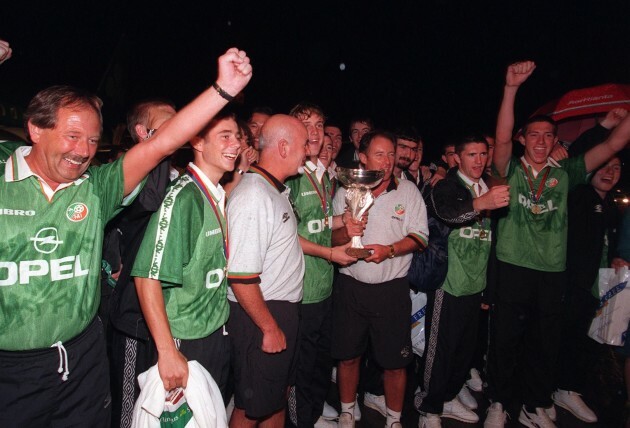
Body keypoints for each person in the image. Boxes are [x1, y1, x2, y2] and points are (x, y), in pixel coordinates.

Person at [0, 47, 252, 427]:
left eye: (91, 140)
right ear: (36, 128)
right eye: (72, 136)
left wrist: (222, 89)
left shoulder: (96, 189)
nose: (83, 151)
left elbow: (160, 145)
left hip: (83, 361)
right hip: (11, 372)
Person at [484, 60, 630, 428]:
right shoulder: (510, 169)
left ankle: (535, 404)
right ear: (523, 138)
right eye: (533, 135)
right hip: (513, 266)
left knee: (544, 343)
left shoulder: (567, 172)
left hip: (551, 271)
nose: (540, 141)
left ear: (554, 141)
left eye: (547, 136)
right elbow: (500, 140)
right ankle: (499, 403)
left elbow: (615, 141)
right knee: (505, 340)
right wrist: (511, 88)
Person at [132, 111, 243, 405]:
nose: (236, 144)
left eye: (237, 136)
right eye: (225, 136)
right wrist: (168, 351)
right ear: (198, 142)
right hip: (185, 341)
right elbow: (146, 277)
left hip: (214, 332)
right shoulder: (184, 198)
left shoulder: (215, 193)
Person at [331, 130, 429, 428]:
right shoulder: (346, 190)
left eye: (390, 154)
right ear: (363, 158)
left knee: (395, 362)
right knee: (348, 357)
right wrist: (347, 231)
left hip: (391, 290)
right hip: (351, 287)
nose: (386, 162)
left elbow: (420, 237)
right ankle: (348, 411)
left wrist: (389, 250)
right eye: (379, 154)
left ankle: (394, 419)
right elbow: (330, 237)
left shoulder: (407, 191)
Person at [416, 136, 510, 428]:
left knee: (464, 350)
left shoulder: (487, 185)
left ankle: (448, 397)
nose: (479, 160)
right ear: (457, 157)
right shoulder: (446, 185)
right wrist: (482, 203)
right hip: (449, 282)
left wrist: (488, 287)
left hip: (476, 282)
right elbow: (449, 214)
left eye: (483, 154)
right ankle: (428, 408)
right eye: (472, 154)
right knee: (440, 349)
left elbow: (491, 241)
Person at [226, 114, 308, 427]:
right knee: (251, 406)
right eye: (303, 145)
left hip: (279, 310)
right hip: (261, 314)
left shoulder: (273, 191)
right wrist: (269, 327)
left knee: (274, 399)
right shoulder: (254, 195)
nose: (307, 153)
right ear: (284, 147)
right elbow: (241, 277)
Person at [286, 103, 359, 428]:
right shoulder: (290, 176)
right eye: (306, 124)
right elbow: (286, 235)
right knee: (298, 366)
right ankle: (300, 418)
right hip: (298, 289)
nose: (315, 132)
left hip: (324, 286)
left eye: (319, 125)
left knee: (318, 359)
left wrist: (345, 219)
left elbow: (319, 222)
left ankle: (312, 413)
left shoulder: (322, 176)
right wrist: (330, 254)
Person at [107, 98, 177, 428]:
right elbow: (151, 202)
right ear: (142, 132)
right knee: (130, 404)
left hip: (168, 313)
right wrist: (158, 146)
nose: (179, 130)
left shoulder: (179, 174)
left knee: (160, 404)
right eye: (169, 125)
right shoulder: (130, 176)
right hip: (134, 314)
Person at [553, 156, 623, 423]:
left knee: (589, 341)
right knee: (568, 337)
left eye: (616, 168)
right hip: (574, 283)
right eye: (604, 166)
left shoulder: (612, 206)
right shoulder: (580, 196)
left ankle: (570, 387)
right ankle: (560, 390)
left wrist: (616, 256)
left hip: (602, 283)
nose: (610, 172)